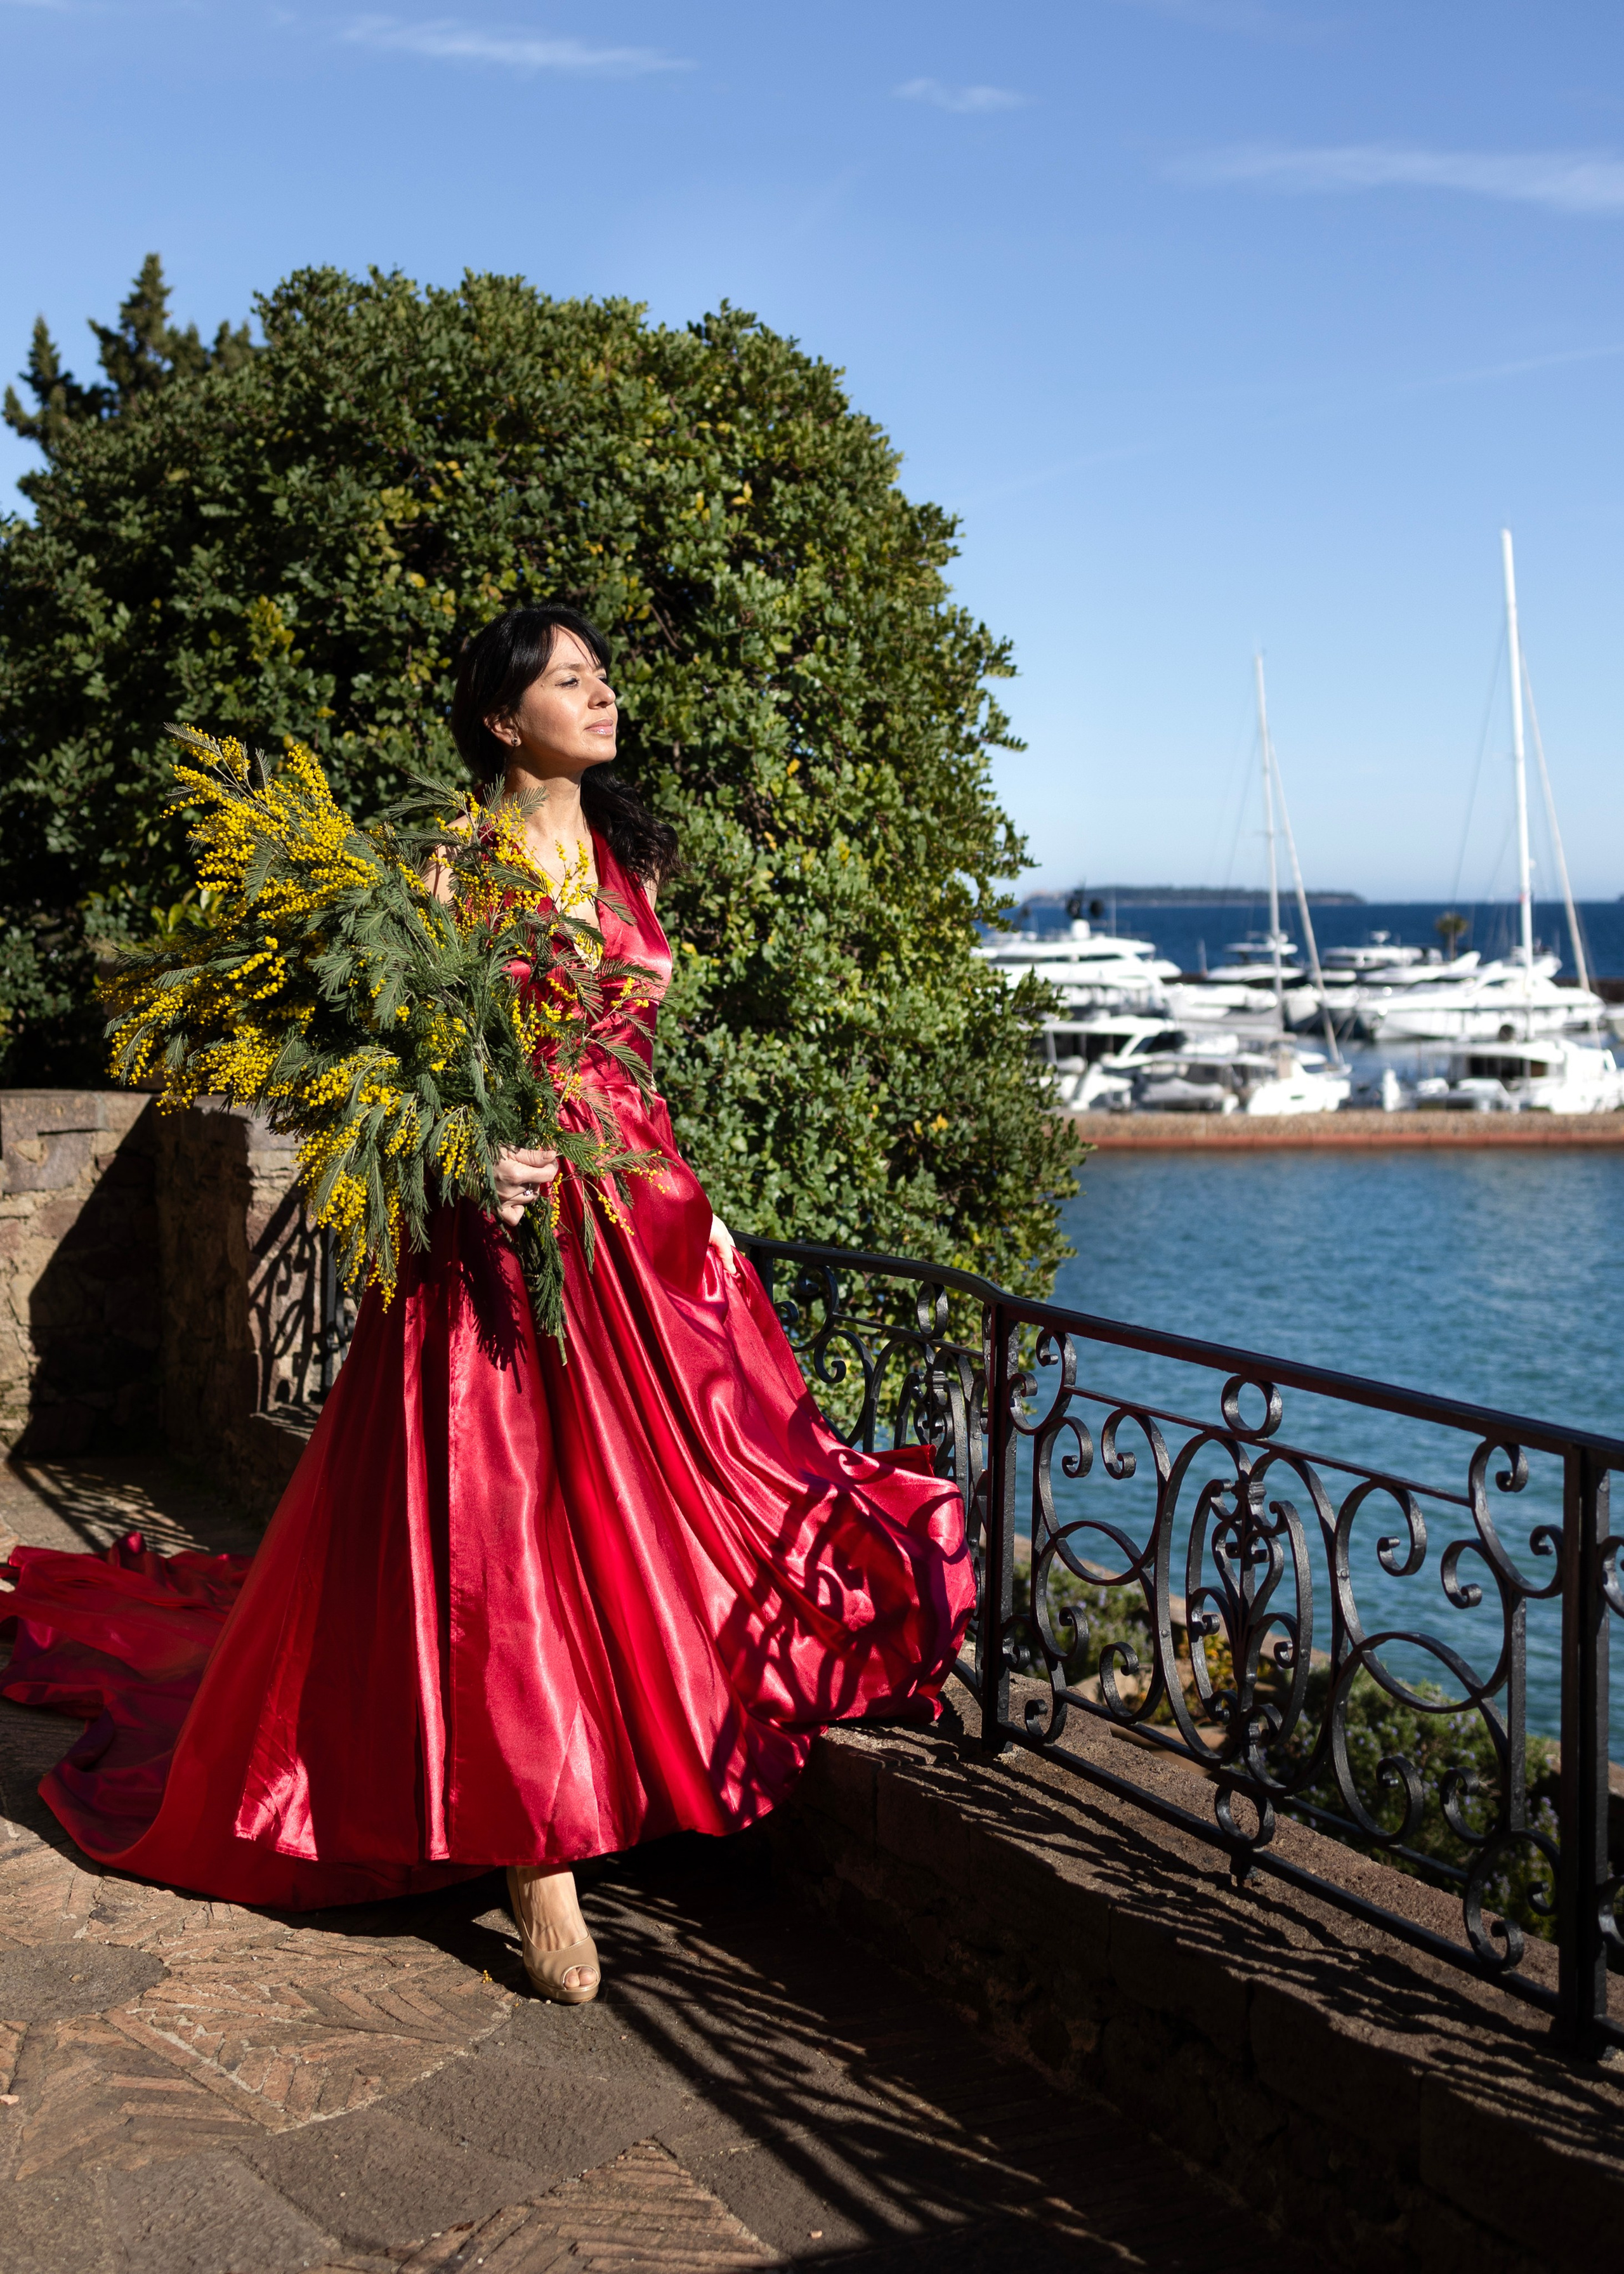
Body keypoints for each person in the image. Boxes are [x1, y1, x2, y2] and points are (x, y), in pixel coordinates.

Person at [0, 605, 975, 2004]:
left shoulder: (627, 851)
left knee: (678, 1496)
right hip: (493, 1228)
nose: (601, 693)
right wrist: (462, 1152)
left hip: (642, 1221)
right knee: (500, 1532)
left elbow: (626, 1038)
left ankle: (651, 1747)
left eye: (600, 674)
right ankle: (536, 1857)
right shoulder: (444, 865)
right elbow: (365, 1064)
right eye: (566, 679)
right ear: (499, 718)